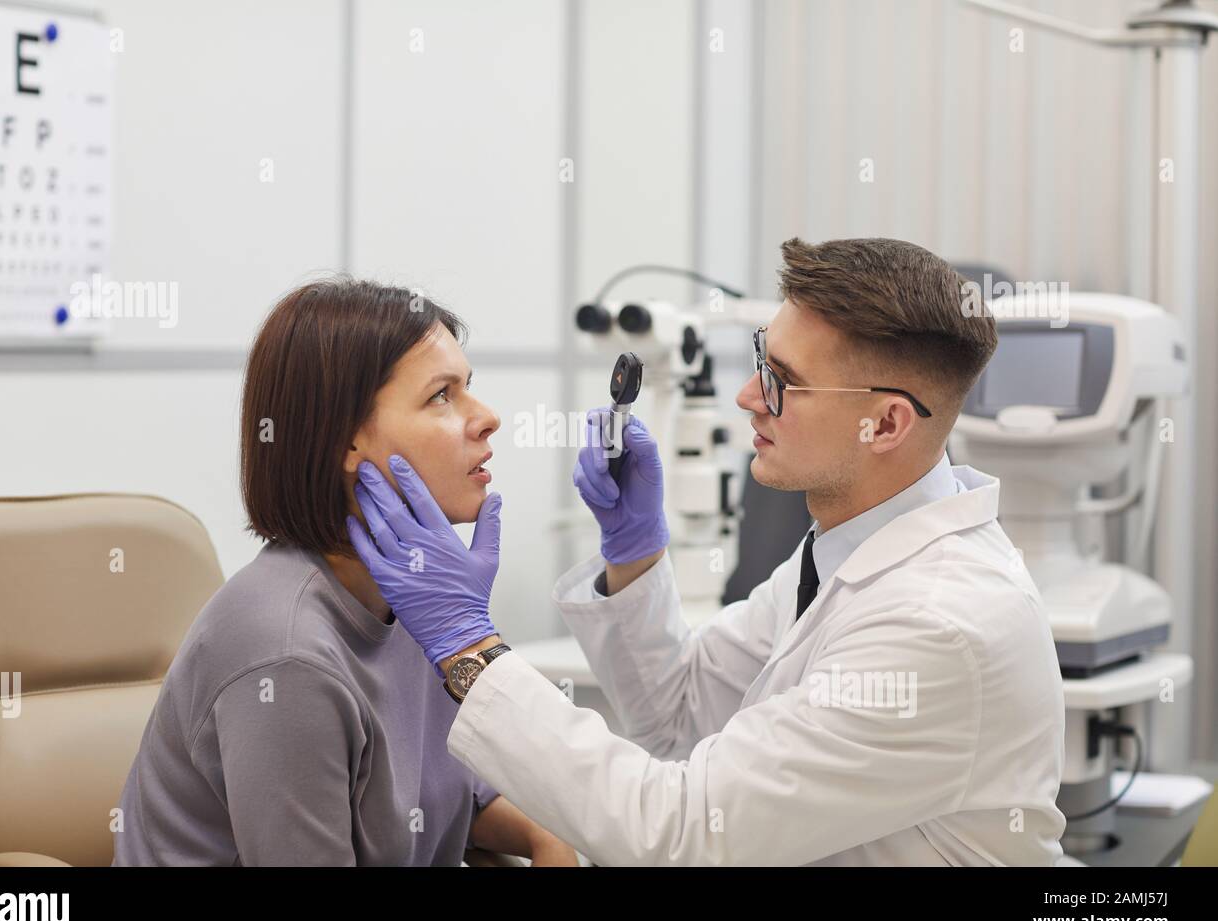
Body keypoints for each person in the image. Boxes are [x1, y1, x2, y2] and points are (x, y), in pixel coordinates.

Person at [349, 237, 1067, 866]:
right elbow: (677, 718)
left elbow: (682, 833)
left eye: (783, 382)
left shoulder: (939, 624)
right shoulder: (845, 554)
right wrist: (634, 553)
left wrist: (468, 646)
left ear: (884, 423)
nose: (749, 397)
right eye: (762, 359)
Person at [113, 277, 577, 866]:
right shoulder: (287, 656)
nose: (487, 419)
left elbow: (458, 796)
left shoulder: (412, 596)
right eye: (441, 395)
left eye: (470, 389)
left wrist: (548, 839)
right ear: (345, 441)